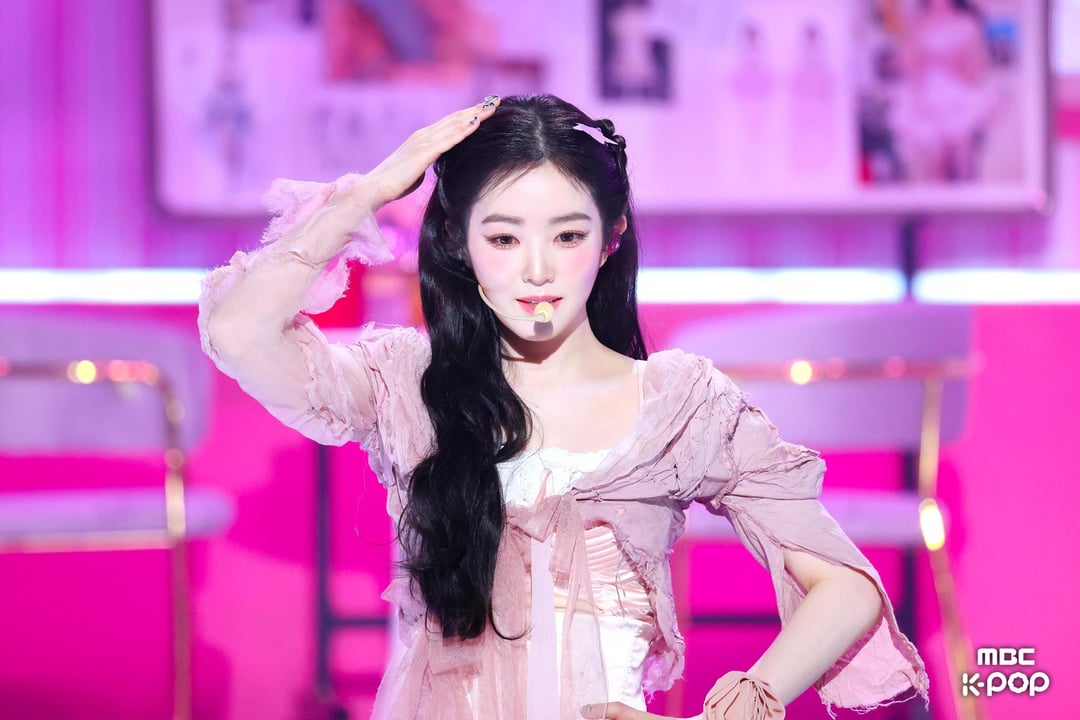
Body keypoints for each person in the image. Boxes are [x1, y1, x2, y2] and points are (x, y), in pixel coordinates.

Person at [198, 94, 929, 719]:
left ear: (611, 239)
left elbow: (844, 584)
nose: (538, 270)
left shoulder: (679, 407)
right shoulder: (408, 384)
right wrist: (369, 192)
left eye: (568, 235)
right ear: (458, 242)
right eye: (504, 237)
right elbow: (237, 333)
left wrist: (749, 700)